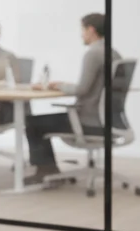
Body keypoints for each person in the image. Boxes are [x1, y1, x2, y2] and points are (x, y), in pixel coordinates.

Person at [24, 13, 121, 181]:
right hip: (109, 121)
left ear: (91, 30)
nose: (81, 34)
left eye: (82, 30)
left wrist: (59, 85)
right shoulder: (114, 53)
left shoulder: (93, 54)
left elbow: (82, 89)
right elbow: (93, 86)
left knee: (32, 123)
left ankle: (46, 171)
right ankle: (49, 170)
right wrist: (63, 84)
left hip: (89, 122)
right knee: (39, 122)